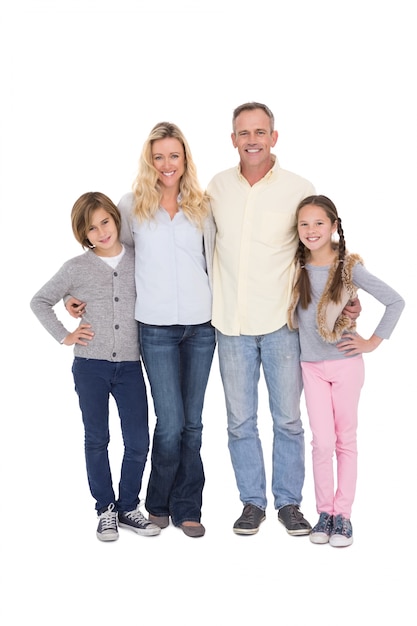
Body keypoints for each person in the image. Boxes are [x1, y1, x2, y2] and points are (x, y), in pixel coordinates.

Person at [207, 102, 361, 536]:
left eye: (260, 131)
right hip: (230, 323)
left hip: (281, 323)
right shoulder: (216, 187)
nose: (252, 139)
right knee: (239, 421)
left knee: (288, 420)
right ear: (233, 139)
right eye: (243, 132)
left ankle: (289, 502)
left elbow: (320, 249)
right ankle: (252, 502)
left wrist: (347, 296)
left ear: (274, 137)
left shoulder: (298, 187)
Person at [68, 124, 216, 537]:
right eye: (159, 156)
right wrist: (74, 296)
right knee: (169, 421)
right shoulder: (132, 206)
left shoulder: (203, 205)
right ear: (149, 161)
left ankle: (188, 506)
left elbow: (215, 260)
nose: (167, 165)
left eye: (174, 155)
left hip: (202, 327)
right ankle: (155, 502)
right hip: (154, 329)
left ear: (185, 158)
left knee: (194, 423)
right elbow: (110, 258)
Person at [30, 192, 161, 542]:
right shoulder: (76, 267)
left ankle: (129, 505)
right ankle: (105, 508)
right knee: (97, 438)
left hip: (131, 366)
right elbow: (39, 300)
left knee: (137, 440)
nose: (102, 232)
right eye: (92, 228)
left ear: (116, 220)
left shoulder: (137, 258)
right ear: (83, 235)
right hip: (91, 366)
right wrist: (65, 334)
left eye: (105, 221)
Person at [288, 194, 405, 546]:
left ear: (335, 226)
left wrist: (370, 342)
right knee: (321, 442)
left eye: (319, 223)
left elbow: (396, 301)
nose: (311, 230)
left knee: (344, 440)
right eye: (304, 224)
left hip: (345, 364)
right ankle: (324, 512)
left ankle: (343, 516)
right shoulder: (296, 268)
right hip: (310, 366)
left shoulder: (348, 269)